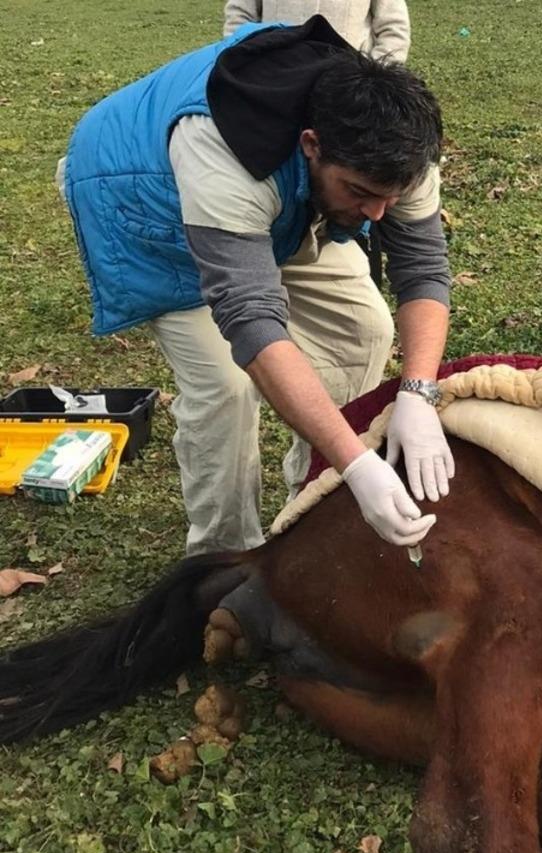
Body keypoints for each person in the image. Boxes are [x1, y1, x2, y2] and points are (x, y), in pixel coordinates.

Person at [57, 16, 454, 554]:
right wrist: (359, 464)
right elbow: (249, 316)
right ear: (313, 144)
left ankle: (313, 504)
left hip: (281, 194)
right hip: (144, 197)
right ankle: (227, 559)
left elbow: (423, 267)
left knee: (361, 328)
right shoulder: (223, 152)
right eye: (361, 192)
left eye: (391, 196)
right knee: (226, 386)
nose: (378, 214)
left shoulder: (395, 150)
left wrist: (417, 393)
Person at [223, 0, 411, 62]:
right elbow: (239, 18)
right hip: (274, 80)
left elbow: (394, 30)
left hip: (345, 88)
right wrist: (246, 64)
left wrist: (371, 79)